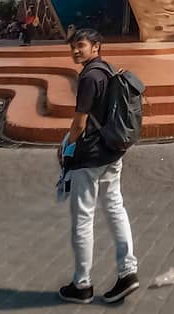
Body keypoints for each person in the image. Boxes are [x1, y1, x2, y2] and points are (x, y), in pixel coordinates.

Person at [57, 29, 139, 305]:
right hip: (112, 152)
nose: (75, 51)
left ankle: (82, 284)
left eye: (80, 46)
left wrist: (68, 148)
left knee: (83, 217)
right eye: (73, 47)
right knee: (116, 208)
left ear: (96, 46)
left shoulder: (90, 77)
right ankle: (128, 271)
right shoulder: (108, 70)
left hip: (90, 156)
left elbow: (79, 122)